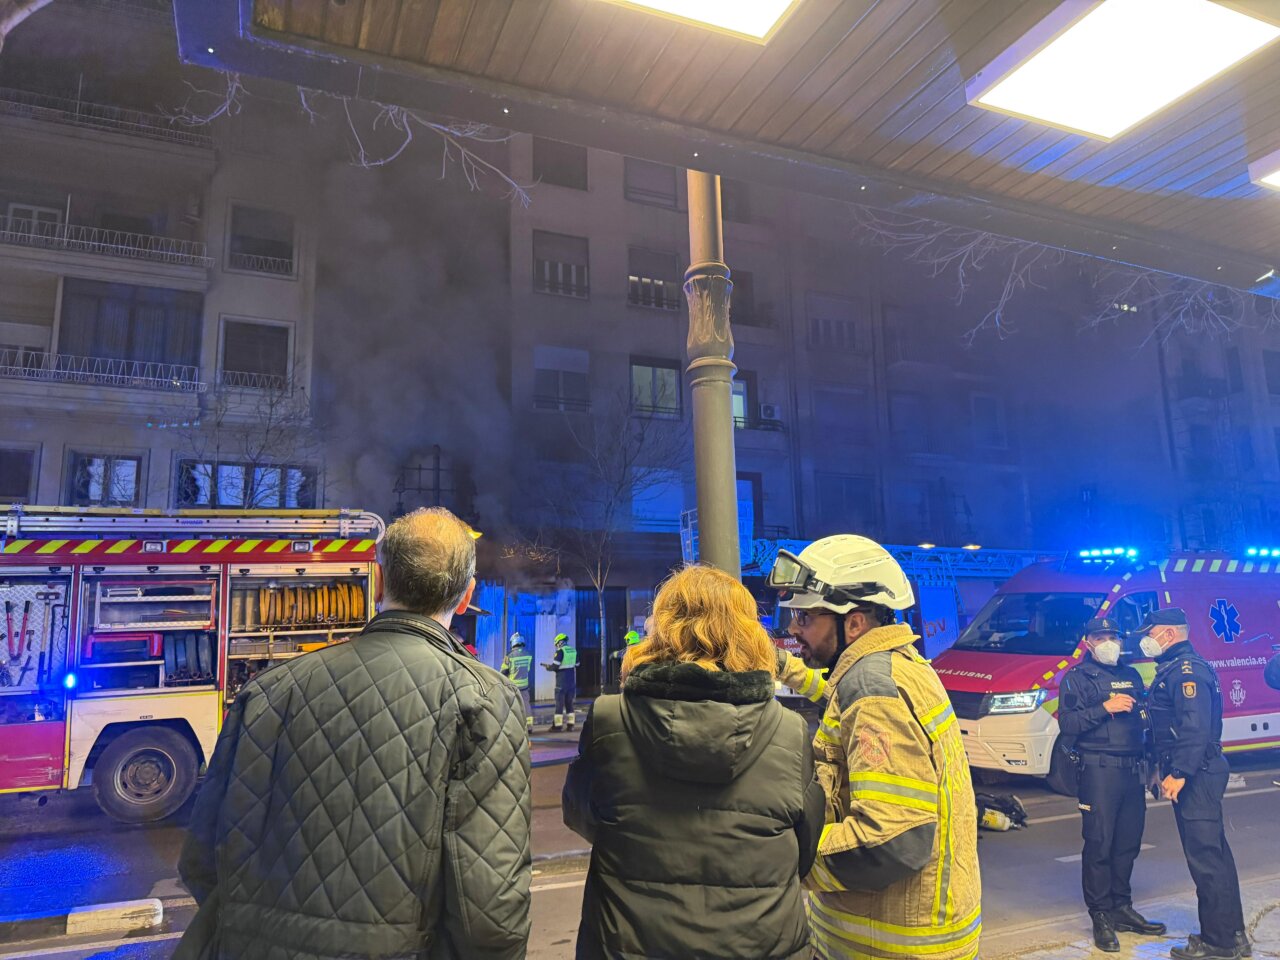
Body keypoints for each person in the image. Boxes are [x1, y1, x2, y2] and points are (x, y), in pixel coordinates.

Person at [174, 507, 531, 960]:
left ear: (378, 582)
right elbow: (490, 913)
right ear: (466, 597)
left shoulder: (265, 693)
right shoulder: (482, 702)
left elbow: (201, 862)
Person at [563, 564, 825, 960]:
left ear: (662, 626)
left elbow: (581, 815)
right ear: (749, 633)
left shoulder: (608, 719)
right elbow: (804, 848)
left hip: (628, 945)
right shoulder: (788, 732)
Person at [769, 535, 982, 960]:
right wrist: (781, 665)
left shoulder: (872, 690)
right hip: (911, 935)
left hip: (886, 945)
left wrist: (782, 860)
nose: (793, 628)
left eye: (805, 617)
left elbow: (891, 844)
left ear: (854, 623)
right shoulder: (893, 666)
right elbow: (836, 696)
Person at [1135, 607, 1249, 960]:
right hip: (1197, 771)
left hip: (1196, 775)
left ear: (1168, 634)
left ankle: (1219, 943)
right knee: (1215, 856)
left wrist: (1179, 773)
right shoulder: (1175, 668)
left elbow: (1194, 728)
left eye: (1150, 632)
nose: (1146, 639)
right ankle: (1232, 934)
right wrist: (1159, 767)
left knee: (1206, 861)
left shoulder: (1187, 672)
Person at [1058, 617, 1165, 952]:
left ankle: (1122, 907)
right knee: (1100, 844)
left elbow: (1143, 722)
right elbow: (1069, 724)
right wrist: (1104, 708)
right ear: (1088, 642)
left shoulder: (1131, 675)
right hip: (1098, 770)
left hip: (1132, 769)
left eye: (1113, 636)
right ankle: (1101, 915)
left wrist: (1153, 765)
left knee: (1127, 843)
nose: (1108, 642)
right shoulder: (1077, 678)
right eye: (1100, 636)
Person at [542, 632, 578, 732]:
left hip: (561, 682)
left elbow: (555, 666)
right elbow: (578, 664)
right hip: (571, 681)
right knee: (569, 704)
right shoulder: (573, 651)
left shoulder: (560, 652)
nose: (557, 646)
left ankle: (557, 726)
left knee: (559, 704)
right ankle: (571, 725)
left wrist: (548, 667)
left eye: (557, 643)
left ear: (559, 642)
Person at [502, 632, 534, 733]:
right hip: (525, 685)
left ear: (513, 643)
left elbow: (503, 672)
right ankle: (529, 727)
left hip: (513, 686)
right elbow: (528, 669)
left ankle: (515, 728)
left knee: (512, 706)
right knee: (526, 705)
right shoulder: (528, 654)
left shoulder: (509, 655)